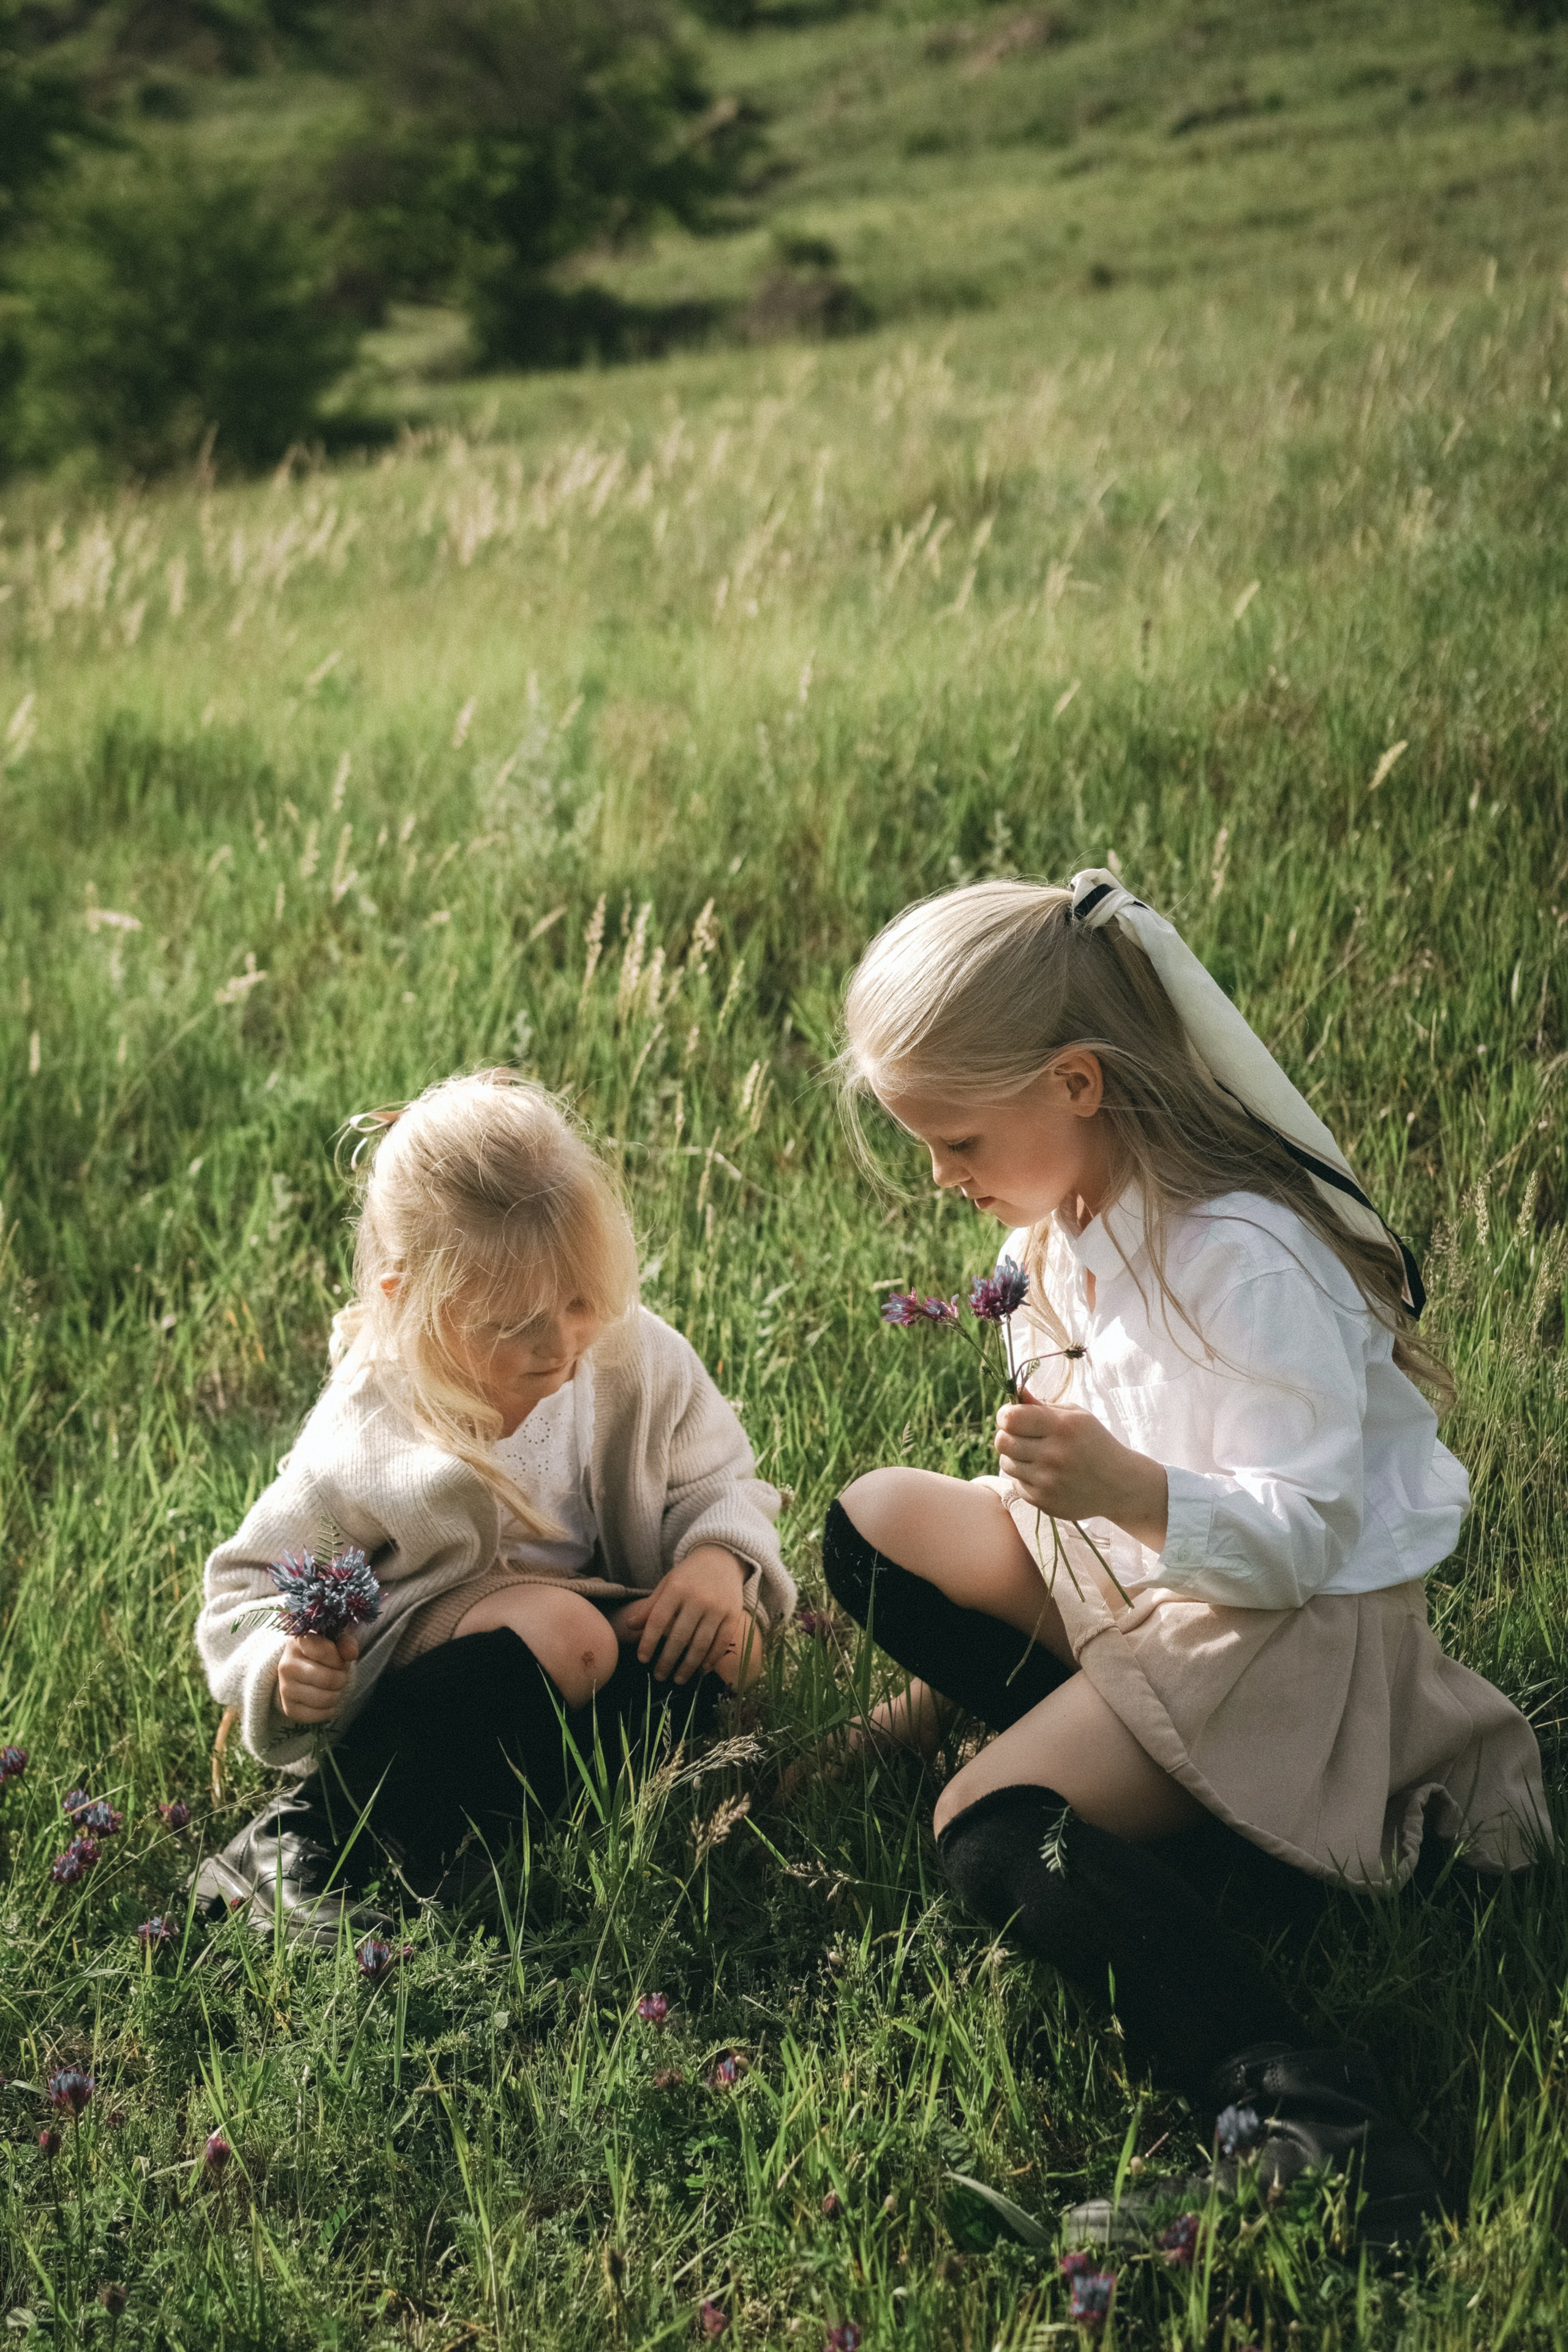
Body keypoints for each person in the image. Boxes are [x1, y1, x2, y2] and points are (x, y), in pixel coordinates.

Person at [823, 871, 1547, 2249]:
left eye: (958, 1137)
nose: (941, 1175)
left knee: (986, 1834)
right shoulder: (1059, 1229)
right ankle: (1149, 1795)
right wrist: (1089, 1516)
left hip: (1277, 1632)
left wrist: (1132, 1489)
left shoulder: (1242, 1256)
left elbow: (1307, 1540)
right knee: (873, 1524)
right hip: (1146, 1579)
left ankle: (1310, 2122)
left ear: (1077, 1083)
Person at [194, 1069, 794, 1943]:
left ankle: (516, 1822)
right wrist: (284, 1665)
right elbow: (243, 1590)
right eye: (514, 1326)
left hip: (582, 1648)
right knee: (568, 1634)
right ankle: (309, 1836)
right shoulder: (371, 1431)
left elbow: (721, 1477)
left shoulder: (631, 1359)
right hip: (448, 1670)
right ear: (409, 1305)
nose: (559, 1348)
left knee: (735, 1644)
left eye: (580, 1300)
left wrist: (716, 1559)